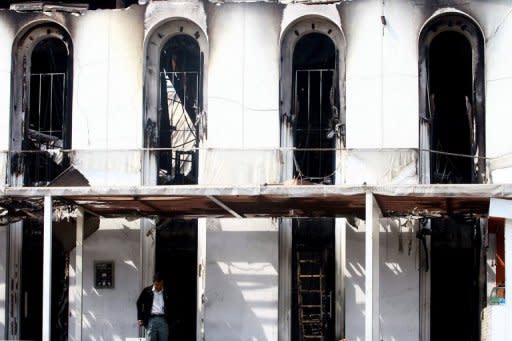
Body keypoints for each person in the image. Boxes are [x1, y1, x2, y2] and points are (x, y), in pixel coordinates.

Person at [137, 273, 170, 341]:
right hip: (150, 320)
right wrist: (140, 318)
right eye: (156, 285)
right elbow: (139, 303)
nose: (158, 287)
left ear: (162, 282)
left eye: (160, 285)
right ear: (153, 282)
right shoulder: (147, 291)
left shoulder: (166, 291)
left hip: (163, 320)